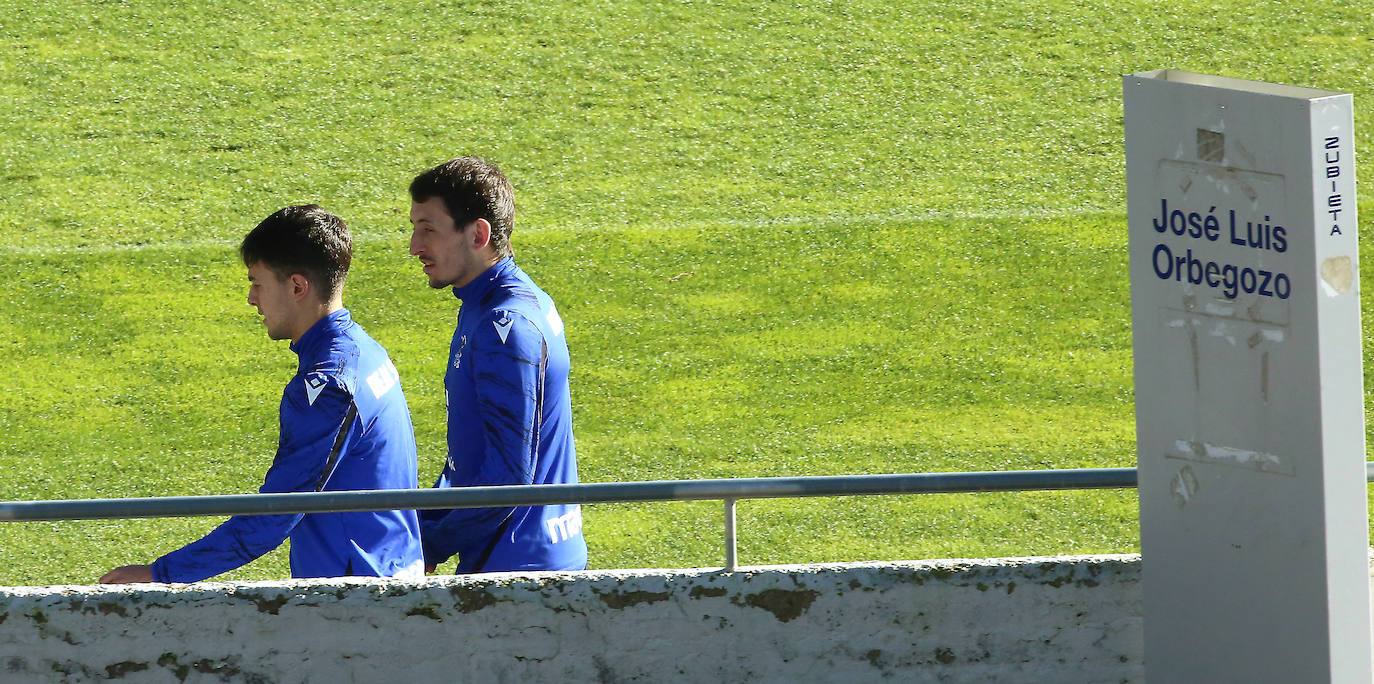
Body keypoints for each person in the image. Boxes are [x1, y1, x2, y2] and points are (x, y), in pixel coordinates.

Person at [100, 205, 424, 584]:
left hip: (359, 599)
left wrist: (161, 574)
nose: (252, 299)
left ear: (297, 286)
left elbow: (275, 513)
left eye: (257, 283)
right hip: (391, 574)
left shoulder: (329, 385)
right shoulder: (367, 352)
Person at [408, 156, 587, 573]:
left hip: (519, 566)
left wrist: (429, 546)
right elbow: (471, 458)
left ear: (478, 233)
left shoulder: (505, 326)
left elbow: (508, 480)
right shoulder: (492, 303)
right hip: (516, 550)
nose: (415, 247)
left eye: (428, 230)